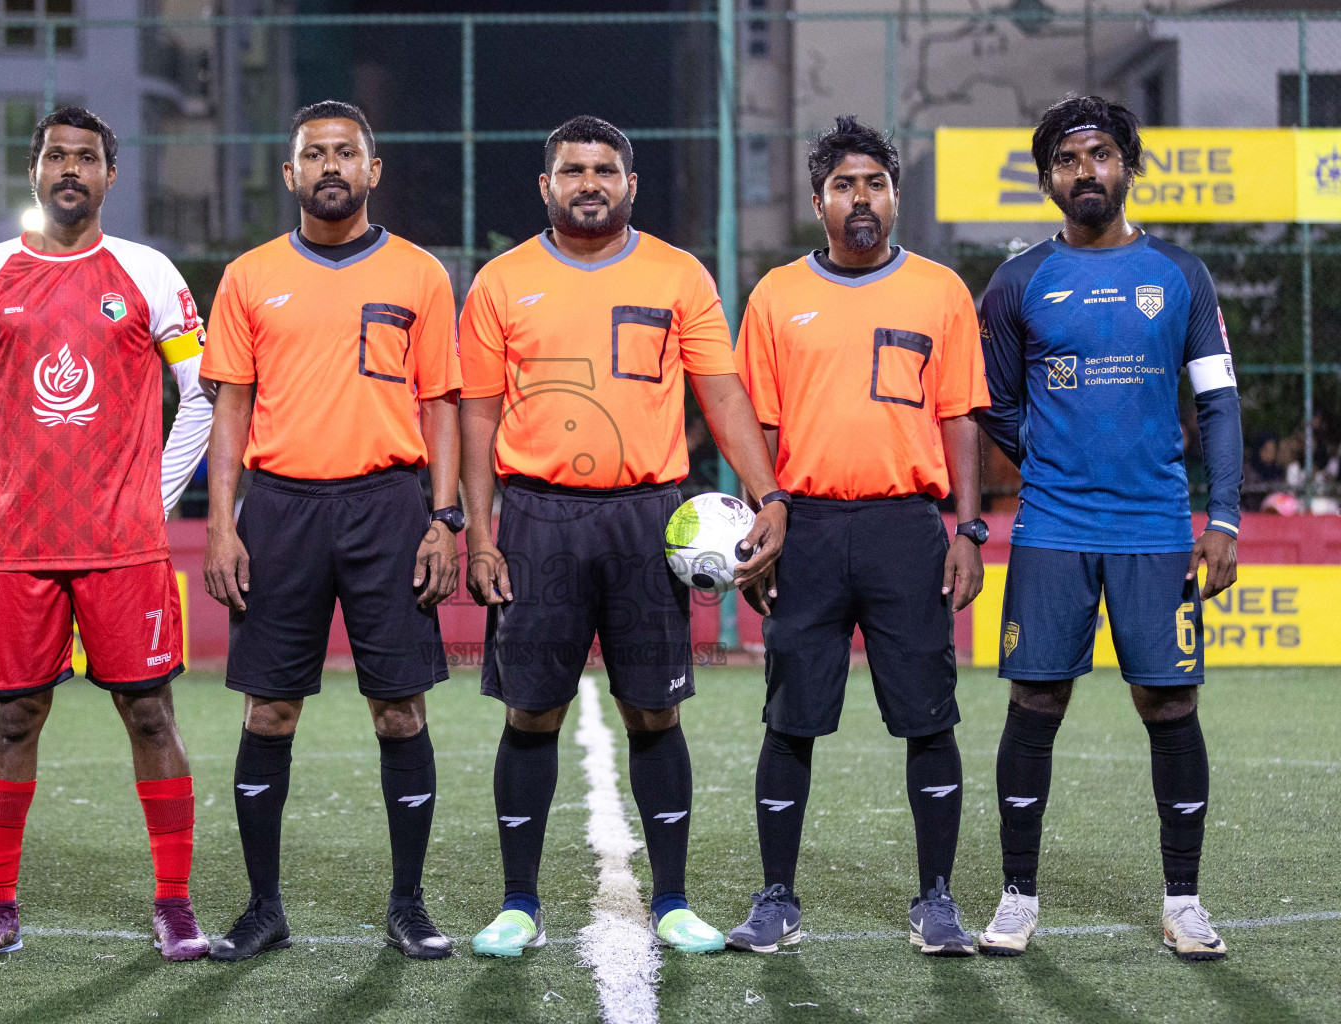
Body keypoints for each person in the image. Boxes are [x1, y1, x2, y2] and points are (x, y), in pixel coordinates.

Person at [458, 115, 787, 957]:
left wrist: (769, 493)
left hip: (649, 519)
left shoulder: (679, 274)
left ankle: (672, 900)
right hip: (537, 516)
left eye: (605, 169)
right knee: (531, 712)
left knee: (654, 710)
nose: (590, 182)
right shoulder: (502, 281)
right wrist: (481, 532)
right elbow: (478, 414)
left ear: (630, 184)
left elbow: (721, 392)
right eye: (573, 170)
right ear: (546, 186)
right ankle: (517, 904)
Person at [0, 107, 215, 965]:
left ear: (110, 177)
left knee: (151, 714)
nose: (70, 170)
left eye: (86, 158)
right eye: (56, 156)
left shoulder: (149, 272)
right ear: (33, 172)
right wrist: (4, 487)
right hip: (20, 547)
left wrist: (154, 495)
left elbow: (201, 395)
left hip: (125, 547)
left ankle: (173, 903)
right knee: (14, 720)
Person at [974, 95, 1243, 960]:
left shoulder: (1182, 276)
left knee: (1168, 701)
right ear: (1048, 178)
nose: (1084, 172)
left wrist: (1225, 517)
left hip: (1157, 526)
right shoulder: (1017, 281)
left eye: (1099, 156)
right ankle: (1017, 895)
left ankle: (1185, 899)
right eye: (1066, 160)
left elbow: (1219, 402)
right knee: (1036, 700)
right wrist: (1051, 454)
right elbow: (996, 406)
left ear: (1127, 165)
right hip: (1052, 524)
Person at [199, 101, 462, 962]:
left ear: (373, 171)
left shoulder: (420, 274)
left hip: (389, 506)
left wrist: (444, 515)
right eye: (314, 153)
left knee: (398, 710)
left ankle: (409, 906)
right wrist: (220, 524)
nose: (331, 165)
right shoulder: (248, 276)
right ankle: (264, 906)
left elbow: (440, 405)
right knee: (270, 710)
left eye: (347, 151)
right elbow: (230, 406)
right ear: (291, 174)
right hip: (279, 510)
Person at [727, 116, 990, 958]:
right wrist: (762, 521)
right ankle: (776, 898)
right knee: (790, 718)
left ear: (895, 196)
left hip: (905, 527)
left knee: (928, 717)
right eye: (844, 185)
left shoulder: (941, 292)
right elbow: (755, 429)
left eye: (874, 182)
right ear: (819, 202)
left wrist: (969, 529)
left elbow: (959, 418)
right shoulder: (774, 295)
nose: (860, 197)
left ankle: (937, 899)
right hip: (802, 524)